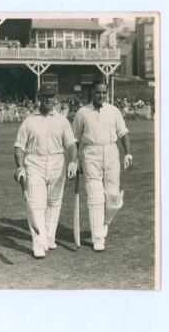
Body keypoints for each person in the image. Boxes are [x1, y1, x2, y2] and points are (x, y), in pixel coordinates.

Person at [13, 83, 78, 258]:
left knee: (54, 202)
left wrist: (72, 162)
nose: (48, 99)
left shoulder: (62, 121)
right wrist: (20, 166)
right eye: (45, 96)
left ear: (56, 98)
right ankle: (39, 244)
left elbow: (71, 145)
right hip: (34, 164)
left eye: (51, 96)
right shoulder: (29, 121)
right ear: (38, 97)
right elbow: (19, 148)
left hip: (58, 163)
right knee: (36, 204)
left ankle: (49, 237)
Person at [73, 77, 133, 251]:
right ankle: (97, 238)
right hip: (91, 153)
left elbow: (123, 133)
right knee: (95, 197)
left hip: (111, 153)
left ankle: (105, 221)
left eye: (104, 92)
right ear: (91, 92)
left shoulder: (114, 111)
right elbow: (75, 139)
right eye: (98, 92)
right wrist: (75, 160)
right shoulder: (82, 113)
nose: (101, 95)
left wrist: (127, 153)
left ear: (107, 93)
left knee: (113, 198)